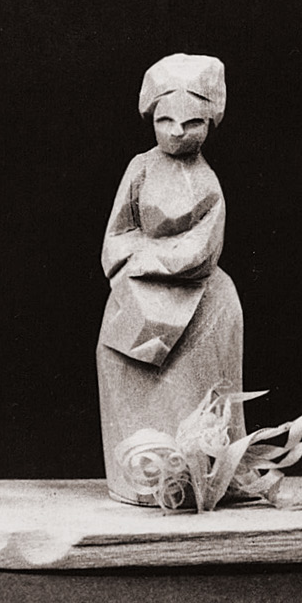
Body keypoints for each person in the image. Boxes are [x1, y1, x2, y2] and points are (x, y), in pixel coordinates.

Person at [96, 53, 245, 504]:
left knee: (194, 386)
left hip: (200, 300)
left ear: (210, 123)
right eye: (166, 121)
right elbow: (117, 233)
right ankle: (139, 480)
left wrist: (153, 259)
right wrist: (133, 265)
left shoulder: (208, 184)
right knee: (116, 360)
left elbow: (203, 251)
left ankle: (194, 479)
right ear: (151, 118)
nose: (177, 132)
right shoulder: (140, 167)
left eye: (191, 122)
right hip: (138, 295)